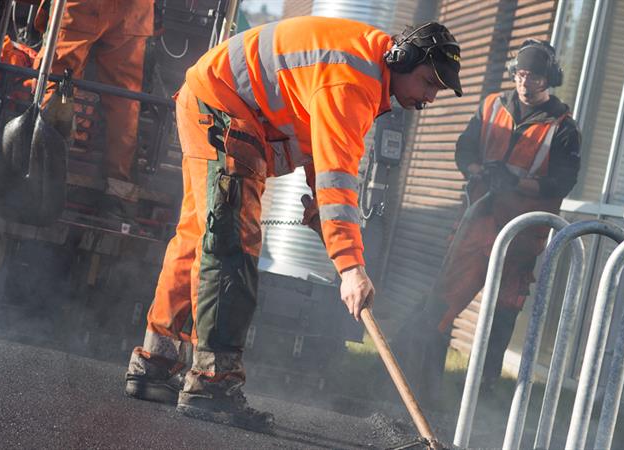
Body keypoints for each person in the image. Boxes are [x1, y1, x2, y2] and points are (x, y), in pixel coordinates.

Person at [123, 16, 463, 430]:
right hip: (224, 108)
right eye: (428, 82)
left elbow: (323, 155)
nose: (429, 98)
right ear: (402, 58)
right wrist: (351, 269)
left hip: (210, 101)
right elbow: (338, 175)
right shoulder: (353, 80)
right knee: (232, 240)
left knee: (200, 236)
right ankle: (213, 383)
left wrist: (322, 211)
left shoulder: (365, 70)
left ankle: (155, 364)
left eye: (436, 91)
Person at [396, 39, 581, 402]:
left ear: (549, 80)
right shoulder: (492, 106)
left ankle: (481, 397)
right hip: (478, 222)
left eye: (535, 78)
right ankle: (420, 384)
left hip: (523, 236)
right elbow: (464, 149)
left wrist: (518, 181)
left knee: (501, 320)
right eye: (521, 75)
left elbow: (564, 180)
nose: (525, 83)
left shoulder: (563, 127)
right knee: (443, 303)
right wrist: (480, 169)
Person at [33, 0, 155, 212]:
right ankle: (120, 190)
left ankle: (42, 171)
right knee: (124, 99)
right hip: (136, 9)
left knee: (59, 80)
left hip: (84, 6)